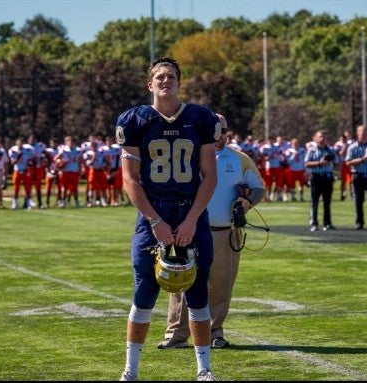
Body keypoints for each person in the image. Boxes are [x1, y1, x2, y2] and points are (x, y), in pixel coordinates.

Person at [116, 56, 219, 381]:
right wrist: (155, 221)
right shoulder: (134, 120)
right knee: (145, 289)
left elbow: (209, 176)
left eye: (171, 75)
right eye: (159, 76)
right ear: (150, 84)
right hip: (153, 211)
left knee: (197, 289)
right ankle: (130, 371)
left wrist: (191, 220)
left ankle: (204, 370)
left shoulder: (200, 118)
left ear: (179, 81)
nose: (165, 80)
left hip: (191, 209)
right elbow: (130, 180)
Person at [157, 113, 265, 350]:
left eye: (222, 130)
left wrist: (247, 203)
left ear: (227, 132)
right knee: (181, 283)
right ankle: (176, 334)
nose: (218, 135)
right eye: (213, 130)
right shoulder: (186, 157)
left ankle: (215, 332)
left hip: (224, 232)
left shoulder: (240, 159)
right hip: (188, 231)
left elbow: (258, 188)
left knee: (220, 285)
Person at [304, 130, 338, 232]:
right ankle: (314, 223)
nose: (322, 139)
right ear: (315, 138)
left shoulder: (330, 150)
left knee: (327, 201)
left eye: (323, 137)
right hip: (316, 177)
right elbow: (306, 163)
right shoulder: (312, 150)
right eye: (320, 137)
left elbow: (337, 163)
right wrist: (319, 163)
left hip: (327, 177)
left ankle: (327, 223)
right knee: (314, 201)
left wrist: (332, 160)